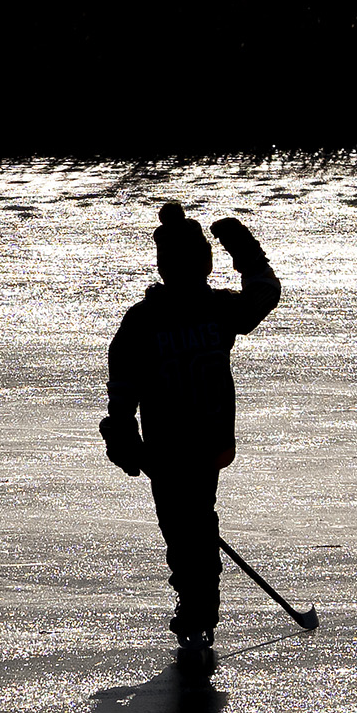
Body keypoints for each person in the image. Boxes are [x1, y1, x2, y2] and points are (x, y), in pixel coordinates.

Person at [102, 202, 281, 672]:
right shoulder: (203, 310)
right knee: (191, 523)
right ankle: (198, 605)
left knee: (188, 526)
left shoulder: (151, 318)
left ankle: (198, 608)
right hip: (184, 446)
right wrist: (243, 248)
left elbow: (123, 384)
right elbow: (264, 291)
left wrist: (121, 429)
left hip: (184, 446)